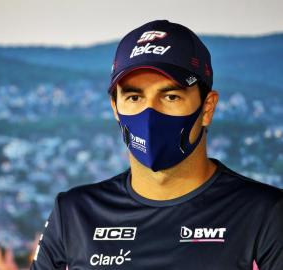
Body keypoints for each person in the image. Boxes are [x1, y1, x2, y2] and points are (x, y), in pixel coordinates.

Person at [29, 19, 283, 270]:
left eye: (171, 96)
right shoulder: (73, 213)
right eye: (134, 96)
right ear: (115, 108)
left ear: (207, 108)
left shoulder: (265, 213)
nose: (150, 114)